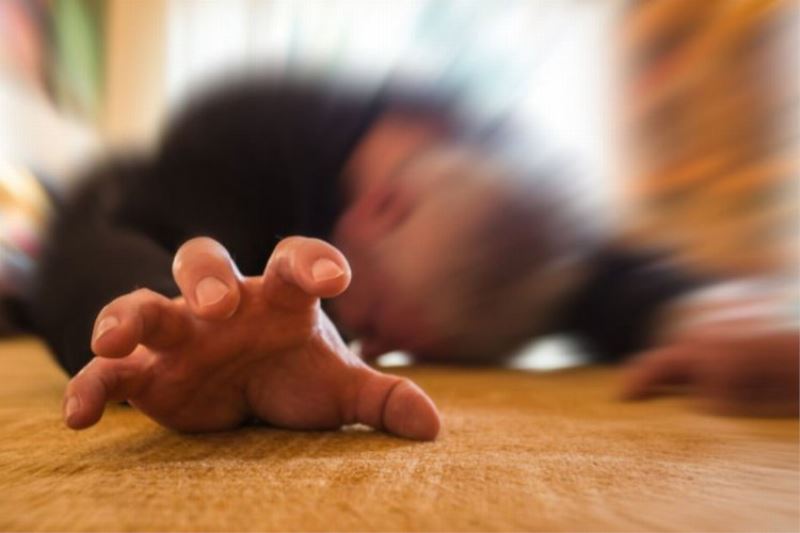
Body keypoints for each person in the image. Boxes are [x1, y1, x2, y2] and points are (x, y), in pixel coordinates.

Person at [26, 75, 798, 441]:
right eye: (375, 313)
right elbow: (121, 238)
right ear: (383, 208)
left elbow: (599, 277)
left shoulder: (500, 181)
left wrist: (705, 314)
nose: (368, 344)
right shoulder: (251, 133)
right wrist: (167, 318)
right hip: (118, 198)